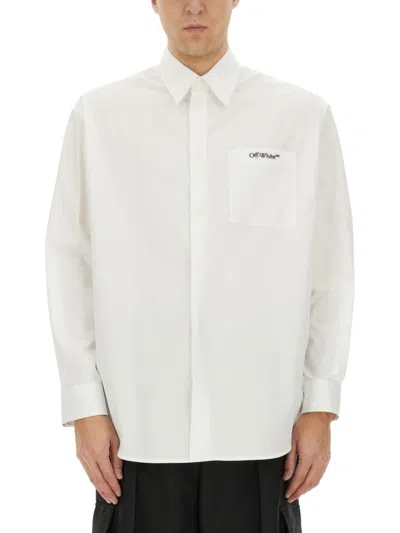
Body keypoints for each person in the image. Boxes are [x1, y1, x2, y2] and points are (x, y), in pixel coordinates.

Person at [44, 1, 354, 532]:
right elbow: (70, 263)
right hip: (137, 434)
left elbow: (329, 268)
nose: (194, 5)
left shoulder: (300, 117)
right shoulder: (99, 117)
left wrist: (320, 404)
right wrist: (84, 404)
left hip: (263, 433)